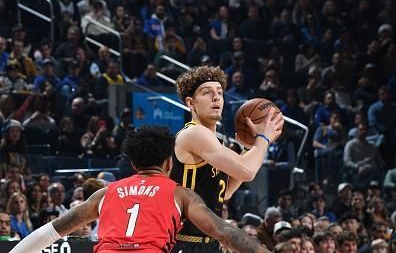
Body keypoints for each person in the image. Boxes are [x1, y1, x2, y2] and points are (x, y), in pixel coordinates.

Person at [9, 126, 270, 253]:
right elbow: (224, 232)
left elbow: (52, 230)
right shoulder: (179, 193)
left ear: (133, 163)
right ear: (169, 162)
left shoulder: (105, 193)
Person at [170, 66, 284, 253]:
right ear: (191, 103)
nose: (216, 98)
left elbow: (224, 194)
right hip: (184, 240)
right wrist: (263, 139)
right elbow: (247, 171)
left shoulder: (216, 140)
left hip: (209, 240)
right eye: (207, 93)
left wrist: (248, 148)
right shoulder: (193, 133)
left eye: (220, 93)